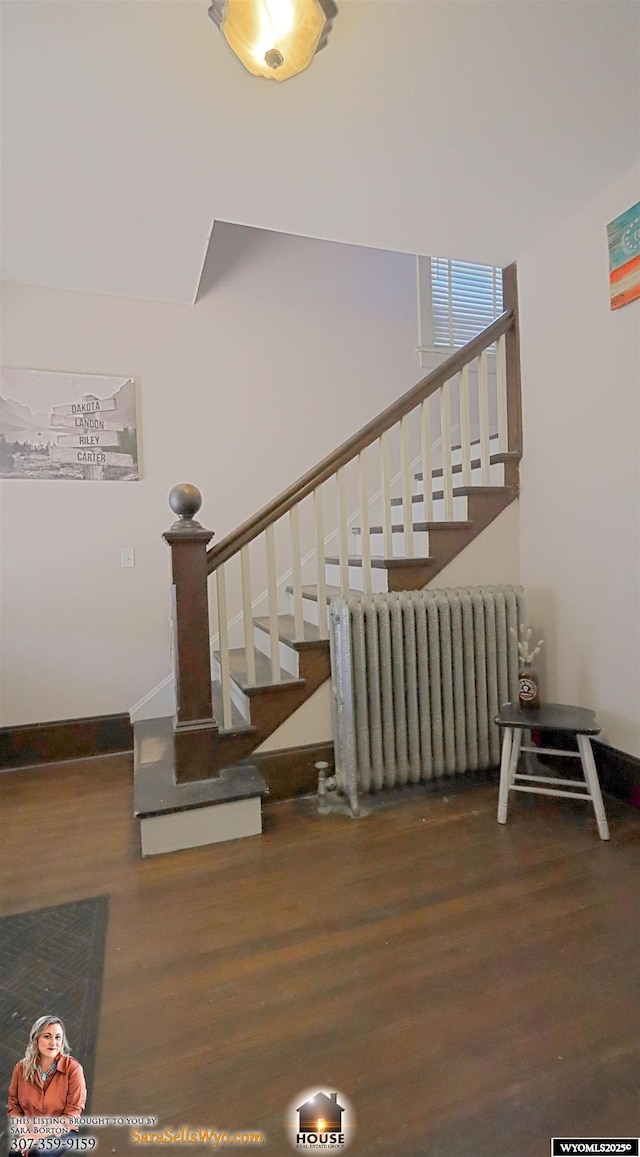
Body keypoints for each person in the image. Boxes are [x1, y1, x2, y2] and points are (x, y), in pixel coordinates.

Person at [7, 1015, 86, 1155]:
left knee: (38, 1152)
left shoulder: (73, 1069)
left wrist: (36, 1137)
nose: (53, 1042)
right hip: (30, 1129)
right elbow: (14, 1107)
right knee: (15, 1153)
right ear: (36, 1038)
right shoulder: (20, 1068)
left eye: (58, 1037)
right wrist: (25, 1134)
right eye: (47, 1036)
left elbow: (72, 1114)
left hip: (62, 1131)